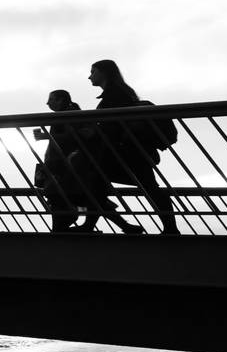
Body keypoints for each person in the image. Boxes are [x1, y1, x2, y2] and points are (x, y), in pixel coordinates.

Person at [72, 59, 178, 234]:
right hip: (126, 150)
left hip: (127, 151)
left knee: (147, 187)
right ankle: (90, 225)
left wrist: (95, 132)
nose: (89, 76)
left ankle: (170, 228)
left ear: (104, 73)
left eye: (93, 71)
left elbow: (116, 125)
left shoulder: (115, 94)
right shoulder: (120, 92)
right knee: (98, 183)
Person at [34, 89, 109, 231]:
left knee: (62, 197)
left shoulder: (68, 115)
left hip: (67, 167)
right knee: (85, 197)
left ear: (60, 100)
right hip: (69, 166)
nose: (47, 103)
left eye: (51, 99)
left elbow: (73, 137)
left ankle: (66, 228)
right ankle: (123, 225)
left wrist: (47, 137)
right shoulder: (70, 114)